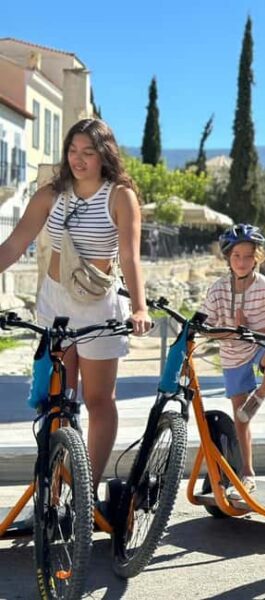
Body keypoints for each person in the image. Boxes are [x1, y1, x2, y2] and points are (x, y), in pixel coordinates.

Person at [0, 118, 151, 491]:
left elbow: (131, 258)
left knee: (99, 399)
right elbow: (15, 244)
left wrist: (140, 307)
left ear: (104, 155)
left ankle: (86, 489)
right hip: (56, 303)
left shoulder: (119, 196)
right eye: (72, 151)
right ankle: (54, 488)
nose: (78, 160)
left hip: (99, 305)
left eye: (88, 152)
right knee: (57, 399)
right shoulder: (51, 194)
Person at [201, 223, 265, 499]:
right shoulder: (218, 289)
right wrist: (229, 332)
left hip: (258, 345)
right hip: (231, 353)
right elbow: (205, 325)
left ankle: (260, 396)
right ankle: (248, 473)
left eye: (248, 256)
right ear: (228, 257)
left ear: (257, 258)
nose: (242, 261)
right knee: (240, 420)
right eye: (236, 255)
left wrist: (250, 330)